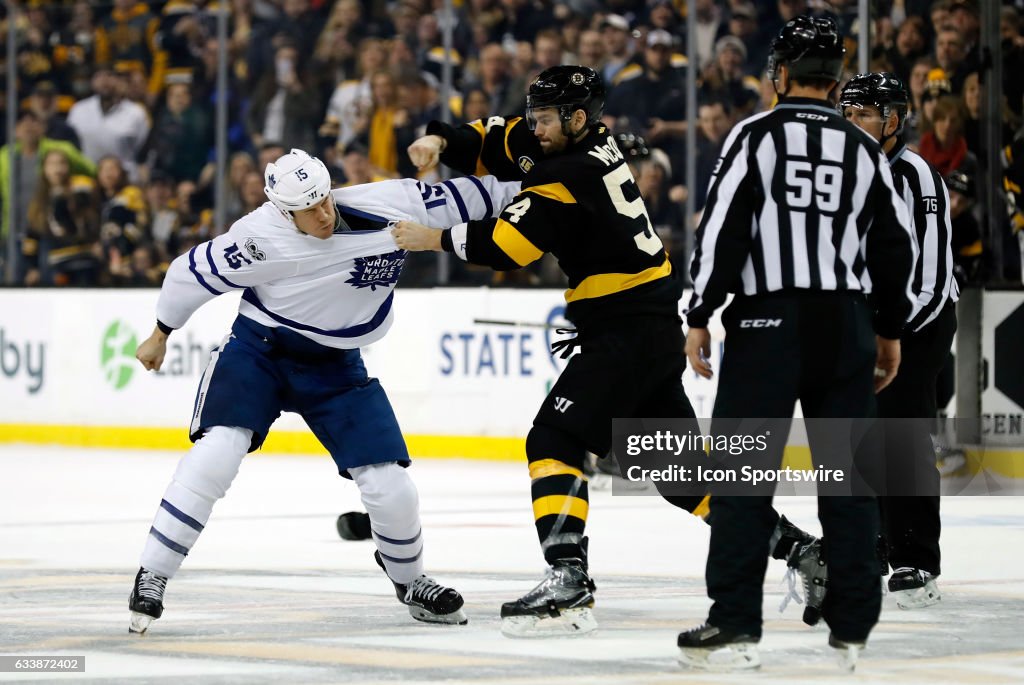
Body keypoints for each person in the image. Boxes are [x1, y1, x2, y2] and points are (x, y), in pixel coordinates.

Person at [392, 66, 819, 638]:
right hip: (645, 328)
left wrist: (432, 238)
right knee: (684, 477)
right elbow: (497, 139)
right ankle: (805, 551)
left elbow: (508, 246)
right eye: (536, 116)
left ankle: (568, 577)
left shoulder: (567, 171)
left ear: (575, 118)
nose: (534, 128)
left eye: (545, 119)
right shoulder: (580, 140)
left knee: (553, 439)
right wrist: (440, 140)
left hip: (625, 334)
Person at [128, 148, 522, 634]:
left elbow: (477, 196)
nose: (323, 214)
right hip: (261, 352)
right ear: (280, 209)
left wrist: (559, 185)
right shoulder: (257, 241)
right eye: (307, 209)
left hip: (337, 365)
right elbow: (188, 274)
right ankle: (152, 575)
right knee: (218, 452)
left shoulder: (393, 202)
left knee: (390, 485)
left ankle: (411, 580)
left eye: (324, 200)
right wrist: (161, 333)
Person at [677, 17, 917, 672]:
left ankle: (733, 622)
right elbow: (896, 247)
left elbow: (722, 227)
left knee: (742, 476)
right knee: (848, 478)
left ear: (781, 75)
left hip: (766, 326)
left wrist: (700, 310)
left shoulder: (754, 134)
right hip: (846, 324)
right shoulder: (865, 148)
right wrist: (888, 330)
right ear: (835, 79)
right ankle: (852, 629)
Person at [839, 72, 958, 610]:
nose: (852, 121)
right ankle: (876, 541)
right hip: (872, 324)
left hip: (920, 325)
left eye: (863, 112)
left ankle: (915, 558)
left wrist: (897, 336)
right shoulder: (844, 176)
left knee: (902, 437)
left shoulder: (917, 177)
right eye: (847, 111)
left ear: (893, 119)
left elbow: (931, 279)